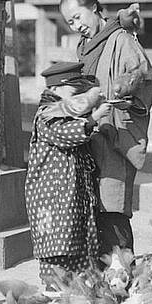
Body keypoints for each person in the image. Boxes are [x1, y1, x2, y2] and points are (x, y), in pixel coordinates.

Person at [58, 0, 152, 218]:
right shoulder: (83, 47)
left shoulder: (121, 39)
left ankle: (122, 255)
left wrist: (124, 92)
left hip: (116, 132)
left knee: (114, 209)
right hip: (92, 131)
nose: (77, 26)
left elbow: (143, 74)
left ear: (93, 7)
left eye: (78, 17)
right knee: (94, 210)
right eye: (70, 22)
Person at [25, 61, 111, 288]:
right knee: (58, 241)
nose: (80, 97)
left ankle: (79, 287)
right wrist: (93, 119)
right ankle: (55, 288)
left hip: (69, 190)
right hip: (52, 193)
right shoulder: (47, 113)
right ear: (55, 89)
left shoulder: (67, 111)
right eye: (75, 92)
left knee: (77, 237)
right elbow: (67, 134)